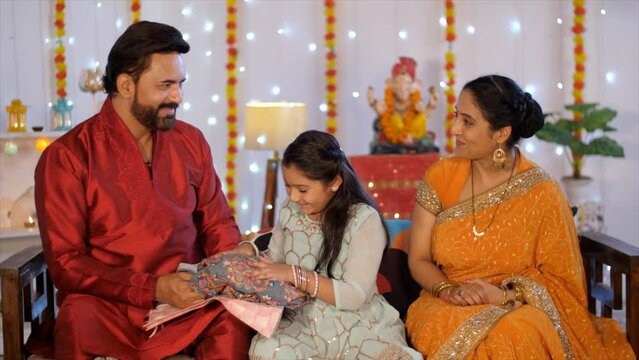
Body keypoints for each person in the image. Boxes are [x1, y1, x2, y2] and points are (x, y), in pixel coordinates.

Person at [30, 21, 255, 359]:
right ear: (126, 85)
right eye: (165, 85)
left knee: (234, 318)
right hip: (111, 306)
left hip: (189, 302)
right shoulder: (67, 156)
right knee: (78, 319)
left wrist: (228, 269)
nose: (177, 96)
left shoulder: (191, 141)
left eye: (180, 84)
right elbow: (66, 262)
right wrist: (152, 288)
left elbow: (217, 223)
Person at [405, 75, 634, 359]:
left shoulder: (542, 192)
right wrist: (448, 290)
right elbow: (418, 259)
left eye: (467, 121)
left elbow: (562, 282)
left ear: (501, 133)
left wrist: (502, 296)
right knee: (447, 324)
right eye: (456, 116)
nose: (454, 129)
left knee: (517, 331)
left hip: (518, 306)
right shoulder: (440, 177)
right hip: (446, 303)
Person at [247, 130, 422, 359]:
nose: (292, 198)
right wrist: (247, 255)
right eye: (288, 187)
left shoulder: (363, 219)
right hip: (302, 323)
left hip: (359, 325)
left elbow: (355, 296)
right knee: (266, 350)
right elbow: (275, 261)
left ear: (334, 182)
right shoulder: (290, 211)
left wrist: (295, 275)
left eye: (302, 189)